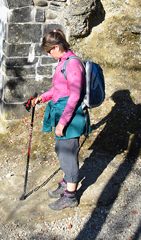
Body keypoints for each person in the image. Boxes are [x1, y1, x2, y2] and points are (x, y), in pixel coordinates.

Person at [30, 30, 89, 210]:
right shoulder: (63, 62)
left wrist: (63, 122)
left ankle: (71, 196)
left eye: (49, 51)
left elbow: (74, 96)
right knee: (61, 150)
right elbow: (59, 88)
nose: (49, 54)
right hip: (63, 111)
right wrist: (43, 97)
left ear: (57, 47)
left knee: (68, 154)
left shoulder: (72, 64)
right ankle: (66, 183)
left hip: (71, 116)